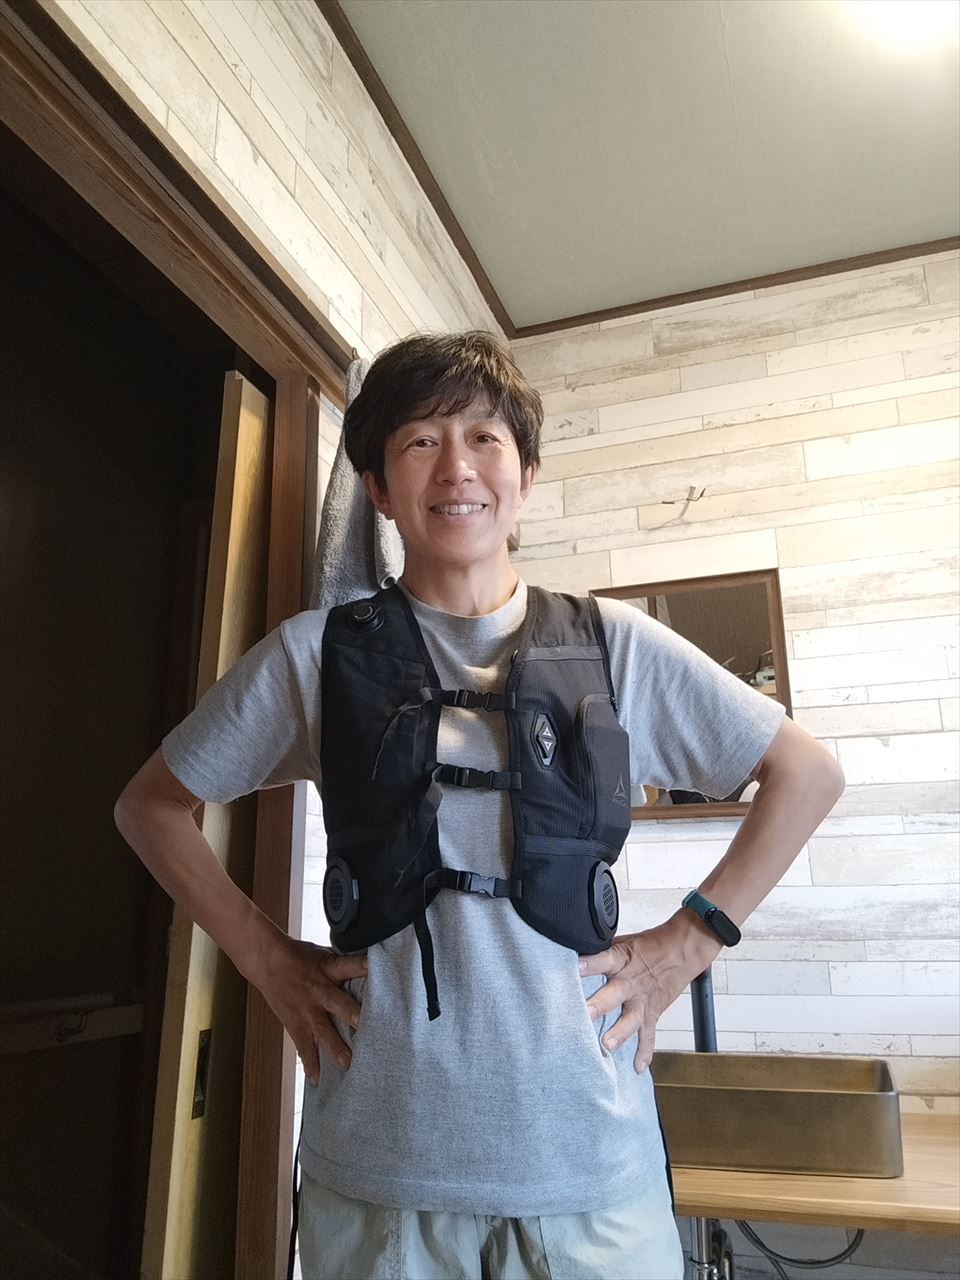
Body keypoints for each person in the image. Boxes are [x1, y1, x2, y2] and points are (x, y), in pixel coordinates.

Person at [116, 331, 844, 1280]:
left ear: (525, 476)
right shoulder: (316, 655)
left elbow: (807, 775)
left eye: (484, 438)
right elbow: (151, 807)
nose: (455, 467)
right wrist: (267, 959)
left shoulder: (614, 644)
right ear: (378, 488)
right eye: (420, 441)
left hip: (590, 1170)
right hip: (383, 1176)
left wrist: (689, 942)